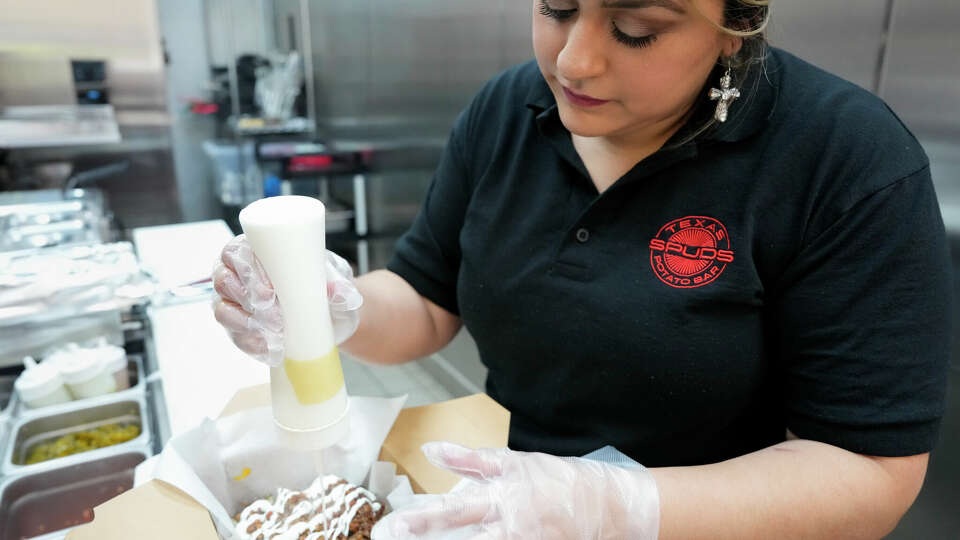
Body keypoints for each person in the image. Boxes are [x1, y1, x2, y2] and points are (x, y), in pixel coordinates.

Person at [213, 1, 952, 538]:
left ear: (733, 30)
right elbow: (426, 298)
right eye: (557, 7)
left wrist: (615, 505)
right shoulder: (509, 110)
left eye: (636, 29)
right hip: (506, 511)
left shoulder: (844, 159)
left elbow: (869, 472)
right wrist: (334, 306)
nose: (574, 60)